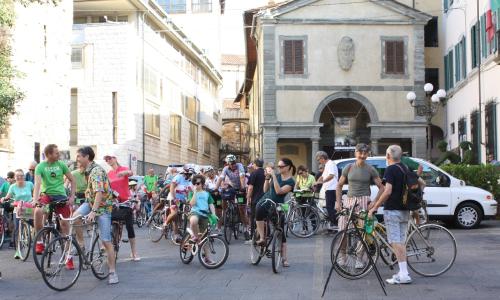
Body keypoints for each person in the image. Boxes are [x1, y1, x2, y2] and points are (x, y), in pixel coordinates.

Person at [72, 146, 118, 284]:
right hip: (90, 202)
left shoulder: (96, 171)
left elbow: (99, 192)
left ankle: (112, 272)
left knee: (106, 240)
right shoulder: (87, 170)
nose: (77, 159)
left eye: (79, 156)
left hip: (102, 208)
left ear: (87, 157)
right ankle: (81, 245)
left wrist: (93, 212)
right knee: (74, 217)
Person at [368, 145, 412, 284]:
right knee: (400, 241)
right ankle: (402, 271)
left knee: (395, 241)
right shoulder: (405, 167)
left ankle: (404, 274)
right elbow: (420, 182)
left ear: (388, 156)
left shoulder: (391, 169)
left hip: (393, 210)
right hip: (405, 209)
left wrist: (375, 206)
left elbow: (387, 191)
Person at [33, 144, 76, 257]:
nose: (59, 154)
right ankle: (40, 241)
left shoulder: (61, 165)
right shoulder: (40, 166)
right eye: (56, 153)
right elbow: (37, 184)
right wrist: (34, 199)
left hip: (60, 195)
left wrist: (71, 197)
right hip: (46, 195)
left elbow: (72, 180)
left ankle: (68, 256)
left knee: (64, 224)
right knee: (38, 211)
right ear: (49, 154)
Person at [255, 158, 296, 268]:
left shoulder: (291, 181)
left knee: (280, 231)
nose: (279, 168)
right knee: (258, 211)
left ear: (288, 167)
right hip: (266, 200)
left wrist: (273, 175)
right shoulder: (276, 176)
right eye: (278, 166)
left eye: (281, 166)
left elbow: (279, 191)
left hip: (278, 205)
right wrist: (267, 179)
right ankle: (262, 238)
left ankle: (284, 258)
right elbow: (265, 190)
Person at [335, 144, 385, 230]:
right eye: (360, 153)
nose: (362, 156)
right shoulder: (348, 167)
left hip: (364, 202)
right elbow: (339, 185)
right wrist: (338, 202)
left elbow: (382, 187)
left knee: (362, 232)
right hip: (349, 201)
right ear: (355, 153)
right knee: (343, 229)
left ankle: (362, 243)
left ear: (367, 154)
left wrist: (374, 202)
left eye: (365, 153)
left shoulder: (370, 169)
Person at [105, 154, 140, 261]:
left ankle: (134, 252)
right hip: (114, 202)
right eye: (107, 160)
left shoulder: (123, 169)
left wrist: (123, 173)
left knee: (130, 226)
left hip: (126, 201)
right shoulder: (109, 173)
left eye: (110, 158)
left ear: (115, 158)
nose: (108, 160)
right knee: (106, 221)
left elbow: (131, 173)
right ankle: (108, 247)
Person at [215, 154, 249, 239]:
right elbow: (220, 178)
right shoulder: (226, 168)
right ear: (227, 163)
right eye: (230, 163)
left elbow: (242, 177)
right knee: (223, 196)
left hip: (241, 187)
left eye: (233, 163)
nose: (232, 165)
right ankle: (226, 212)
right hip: (232, 187)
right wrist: (215, 188)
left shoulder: (239, 166)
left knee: (241, 208)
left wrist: (242, 188)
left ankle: (245, 227)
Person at [5, 169, 34, 259]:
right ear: (15, 177)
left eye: (21, 175)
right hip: (18, 209)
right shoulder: (12, 187)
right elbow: (8, 196)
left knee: (35, 225)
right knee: (17, 229)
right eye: (18, 176)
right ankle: (18, 250)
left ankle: (37, 240)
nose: (20, 177)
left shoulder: (29, 184)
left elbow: (35, 194)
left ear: (24, 177)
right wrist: (4, 199)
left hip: (29, 208)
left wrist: (35, 199)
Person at [166, 165, 194, 242]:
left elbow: (190, 192)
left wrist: (189, 200)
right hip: (173, 198)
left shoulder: (189, 181)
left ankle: (178, 231)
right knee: (175, 214)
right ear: (183, 173)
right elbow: (171, 188)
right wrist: (175, 198)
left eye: (190, 174)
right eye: (187, 174)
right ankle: (166, 224)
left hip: (182, 200)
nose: (188, 176)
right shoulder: (178, 177)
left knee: (180, 216)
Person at [188, 174, 216, 243]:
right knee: (193, 221)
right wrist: (195, 192)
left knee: (204, 239)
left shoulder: (207, 193)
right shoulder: (192, 193)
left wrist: (214, 214)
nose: (196, 185)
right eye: (194, 183)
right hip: (195, 212)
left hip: (205, 215)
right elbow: (192, 204)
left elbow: (211, 204)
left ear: (202, 184)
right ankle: (195, 237)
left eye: (198, 183)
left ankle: (205, 253)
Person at [315, 151, 339, 231]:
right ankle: (333, 222)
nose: (319, 161)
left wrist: (322, 182)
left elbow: (331, 175)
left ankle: (335, 224)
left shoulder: (330, 164)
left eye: (319, 160)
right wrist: (316, 183)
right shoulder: (326, 165)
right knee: (329, 207)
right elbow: (322, 176)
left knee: (330, 207)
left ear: (322, 158)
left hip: (332, 188)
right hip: (328, 188)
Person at [246, 159, 265, 242]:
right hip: (265, 198)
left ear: (255, 164)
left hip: (256, 199)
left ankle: (253, 238)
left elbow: (250, 188)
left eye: (253, 164)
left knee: (255, 218)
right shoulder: (265, 173)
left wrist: (248, 198)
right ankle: (264, 235)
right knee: (264, 218)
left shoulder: (254, 173)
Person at [204, 166, 222, 232]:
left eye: (209, 173)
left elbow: (221, 187)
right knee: (209, 211)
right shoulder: (207, 180)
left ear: (213, 172)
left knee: (219, 211)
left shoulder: (218, 178)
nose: (208, 175)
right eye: (207, 174)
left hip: (218, 197)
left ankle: (219, 227)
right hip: (210, 197)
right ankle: (209, 225)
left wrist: (219, 191)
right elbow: (204, 187)